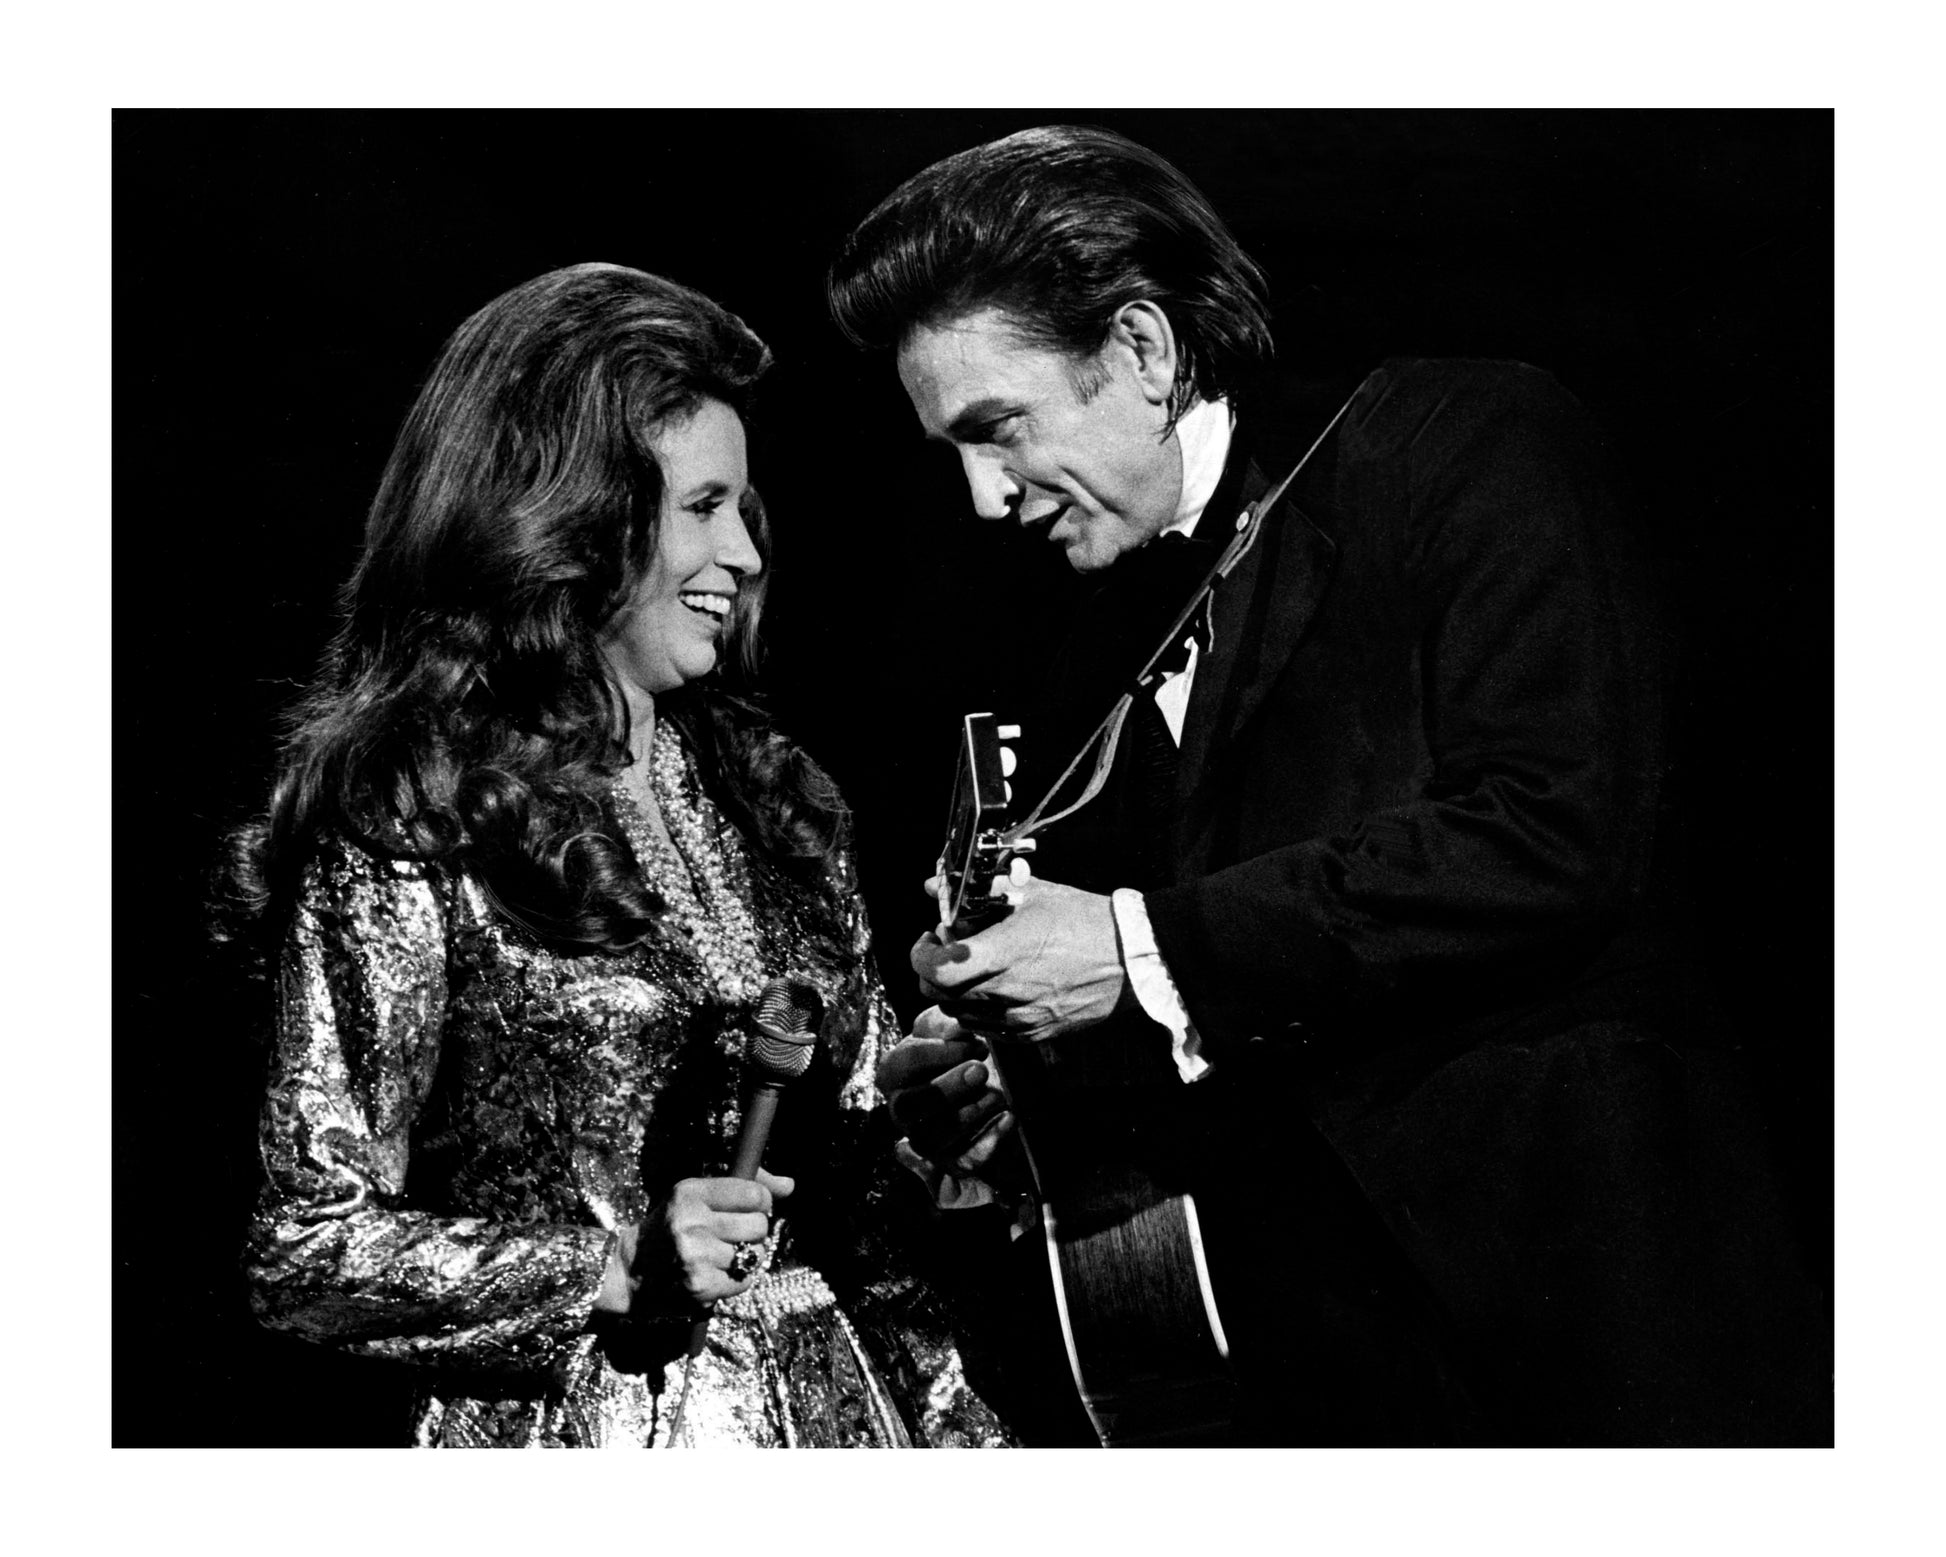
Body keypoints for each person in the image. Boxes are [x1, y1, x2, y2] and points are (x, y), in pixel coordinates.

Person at [826, 125, 1830, 1446]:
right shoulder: (1089, 634)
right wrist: (1017, 1075)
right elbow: (1214, 1005)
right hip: (1317, 1387)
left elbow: (1549, 832)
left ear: (1141, 350)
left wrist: (1132, 950)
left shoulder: (1461, 440)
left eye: (996, 428)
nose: (980, 498)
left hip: (1580, 1335)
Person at [232, 262, 1008, 1448]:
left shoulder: (780, 799)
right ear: (573, 518)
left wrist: (931, 1129)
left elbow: (866, 1219)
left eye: (742, 509)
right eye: (701, 507)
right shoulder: (412, 818)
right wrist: (611, 1269)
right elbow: (305, 1248)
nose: (742, 553)